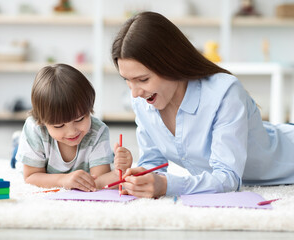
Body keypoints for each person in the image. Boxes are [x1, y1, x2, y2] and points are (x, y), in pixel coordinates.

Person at [111, 11, 294, 198]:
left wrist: (166, 185)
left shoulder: (224, 92)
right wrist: (140, 177)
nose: (134, 93)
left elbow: (227, 178)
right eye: (127, 80)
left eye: (143, 79)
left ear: (170, 63)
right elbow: (153, 163)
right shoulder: (142, 102)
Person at [14, 63, 131, 191]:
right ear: (42, 122)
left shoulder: (98, 132)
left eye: (80, 119)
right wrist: (63, 180)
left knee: (106, 158)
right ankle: (17, 143)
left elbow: (98, 181)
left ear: (89, 109)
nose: (71, 132)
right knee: (17, 158)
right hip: (36, 157)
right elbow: (31, 176)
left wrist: (118, 173)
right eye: (59, 125)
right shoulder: (35, 129)